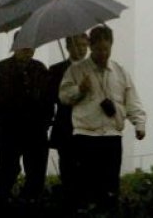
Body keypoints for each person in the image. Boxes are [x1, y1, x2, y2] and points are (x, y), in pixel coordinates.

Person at [59, 25, 146, 211]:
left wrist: (139, 124)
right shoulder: (76, 70)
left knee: (110, 185)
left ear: (111, 46)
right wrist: (79, 90)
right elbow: (63, 96)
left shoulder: (120, 71)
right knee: (86, 185)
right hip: (85, 135)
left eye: (106, 49)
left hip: (112, 135)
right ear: (91, 46)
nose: (102, 53)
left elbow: (132, 100)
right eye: (98, 49)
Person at [0, 35, 52, 200]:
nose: (28, 48)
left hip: (36, 131)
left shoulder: (40, 69)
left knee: (36, 175)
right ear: (15, 46)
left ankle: (32, 203)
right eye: (24, 44)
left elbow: (49, 98)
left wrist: (46, 120)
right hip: (8, 131)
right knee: (7, 172)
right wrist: (0, 120)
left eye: (31, 44)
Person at [48, 32, 90, 192]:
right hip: (65, 126)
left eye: (84, 45)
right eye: (77, 45)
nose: (81, 49)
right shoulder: (56, 70)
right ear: (67, 47)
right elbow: (52, 97)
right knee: (67, 166)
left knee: (88, 168)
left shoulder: (94, 68)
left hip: (89, 126)